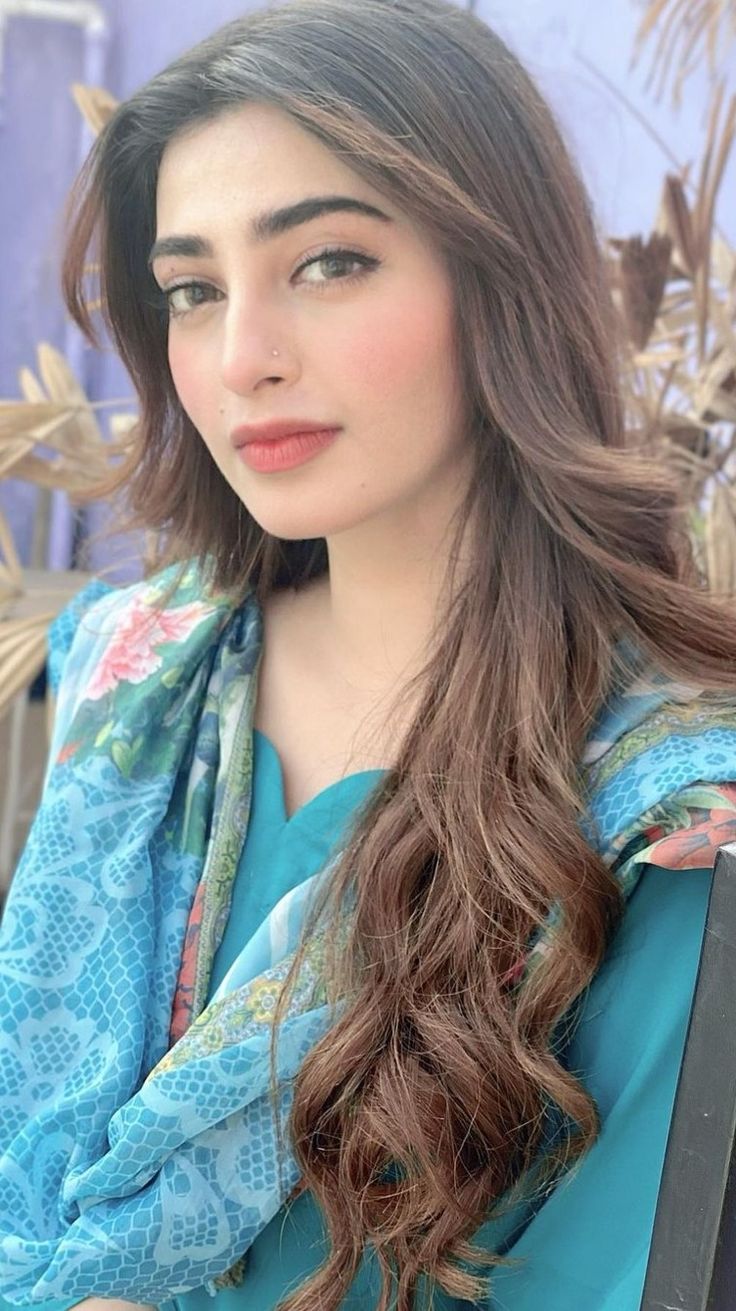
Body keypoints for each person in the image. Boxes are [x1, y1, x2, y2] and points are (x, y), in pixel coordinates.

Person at [1, 1, 736, 1308]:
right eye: (192, 291)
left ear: (498, 280)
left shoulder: (665, 820)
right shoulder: (137, 681)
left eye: (329, 263)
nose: (242, 359)